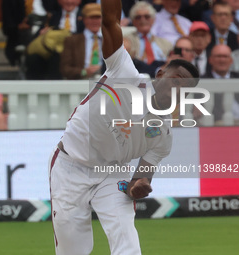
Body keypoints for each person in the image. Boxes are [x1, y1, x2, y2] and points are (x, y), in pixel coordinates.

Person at [49, 0, 199, 254]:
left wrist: (138, 186)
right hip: (70, 165)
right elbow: (110, 22)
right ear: (160, 74)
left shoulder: (164, 134)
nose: (178, 89)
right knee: (72, 248)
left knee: (126, 237)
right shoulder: (125, 73)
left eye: (186, 89)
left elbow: (140, 178)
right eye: (177, 80)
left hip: (112, 174)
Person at [194, 44, 239, 125]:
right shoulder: (201, 81)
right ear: (210, 60)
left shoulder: (237, 77)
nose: (222, 60)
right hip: (215, 125)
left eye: (225, 56)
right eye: (218, 56)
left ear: (231, 60)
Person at [60, 3, 103, 79]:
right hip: (80, 82)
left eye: (98, 17)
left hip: (106, 82)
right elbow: (65, 69)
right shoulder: (72, 40)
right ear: (83, 19)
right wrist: (84, 71)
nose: (95, 21)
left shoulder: (110, 40)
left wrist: (102, 70)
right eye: (91, 17)